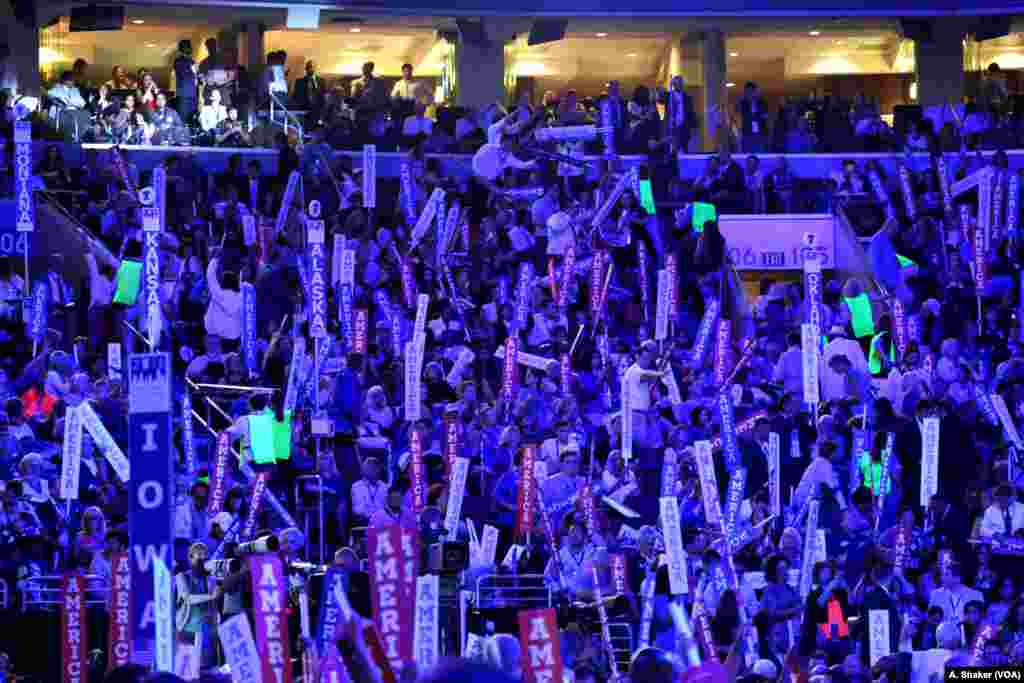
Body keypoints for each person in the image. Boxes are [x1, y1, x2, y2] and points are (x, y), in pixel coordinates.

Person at [173, 39, 199, 124]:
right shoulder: (178, 61)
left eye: (189, 47)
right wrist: (194, 72)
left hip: (193, 95)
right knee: (183, 120)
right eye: (187, 47)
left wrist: (197, 75)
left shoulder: (192, 61)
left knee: (192, 119)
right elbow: (184, 75)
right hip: (183, 95)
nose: (189, 49)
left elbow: (197, 76)